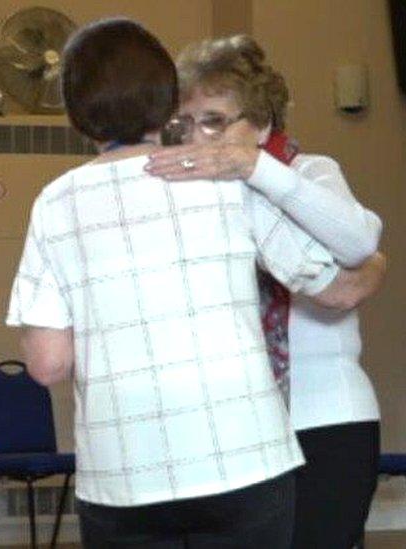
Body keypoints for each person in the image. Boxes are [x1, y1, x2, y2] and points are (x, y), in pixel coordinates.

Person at [6, 18, 377, 548]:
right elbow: (332, 272)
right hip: (244, 458)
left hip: (123, 475)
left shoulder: (55, 203)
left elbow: (47, 364)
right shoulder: (223, 181)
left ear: (76, 117)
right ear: (167, 105)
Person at [144, 34, 386, 549]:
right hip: (235, 423)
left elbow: (361, 242)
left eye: (214, 120)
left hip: (329, 419)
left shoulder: (309, 173)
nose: (197, 137)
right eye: (186, 124)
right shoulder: (190, 200)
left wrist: (254, 172)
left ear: (261, 122)